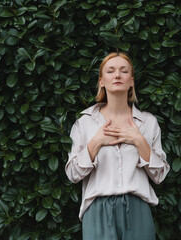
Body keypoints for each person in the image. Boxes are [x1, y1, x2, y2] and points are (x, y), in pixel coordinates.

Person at [65, 52, 170, 240]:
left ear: (131, 81)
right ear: (102, 81)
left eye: (124, 71)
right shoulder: (85, 123)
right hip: (97, 210)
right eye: (110, 71)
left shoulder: (147, 122)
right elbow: (73, 174)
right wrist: (96, 142)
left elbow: (160, 175)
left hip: (138, 208)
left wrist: (139, 141)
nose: (117, 75)